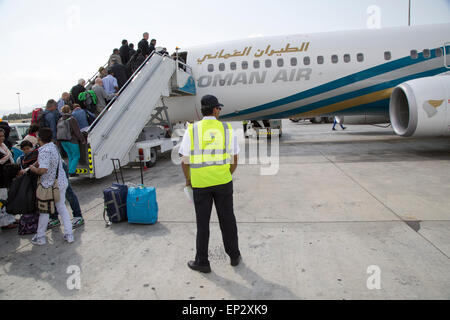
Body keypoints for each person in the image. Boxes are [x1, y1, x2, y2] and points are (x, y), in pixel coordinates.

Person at [179, 95, 241, 274]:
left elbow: (185, 160)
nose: (220, 111)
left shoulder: (192, 129)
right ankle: (234, 256)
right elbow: (234, 158)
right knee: (228, 220)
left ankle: (202, 262)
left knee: (203, 224)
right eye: (219, 108)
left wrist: (189, 179)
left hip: (200, 185)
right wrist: (226, 174)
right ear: (214, 110)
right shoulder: (226, 128)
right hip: (223, 182)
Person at [29, 127, 74, 245]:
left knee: (44, 211)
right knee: (62, 208)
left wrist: (33, 169)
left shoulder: (44, 151)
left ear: (40, 138)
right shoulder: (53, 147)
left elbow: (43, 170)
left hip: (48, 186)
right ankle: (69, 234)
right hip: (61, 182)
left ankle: (40, 237)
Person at [58, 106, 86, 177]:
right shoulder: (71, 119)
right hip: (71, 140)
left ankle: (69, 170)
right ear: (70, 111)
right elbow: (77, 131)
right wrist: (82, 139)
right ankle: (72, 171)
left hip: (63, 141)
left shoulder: (60, 119)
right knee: (76, 155)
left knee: (70, 156)